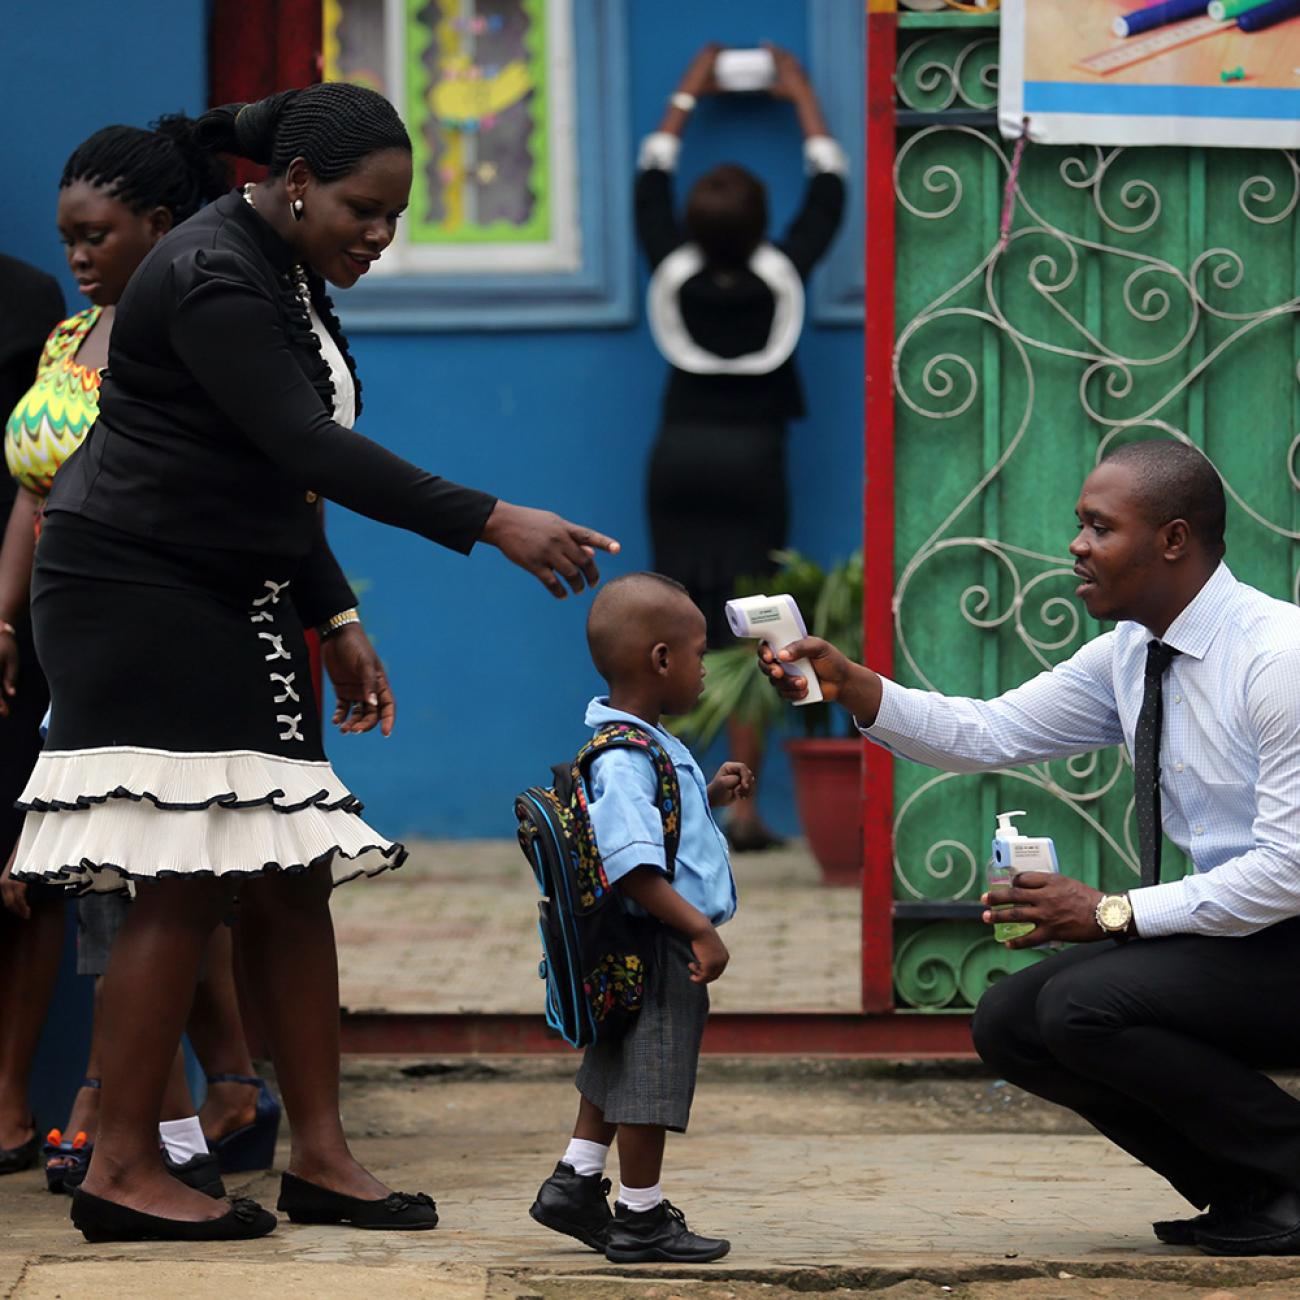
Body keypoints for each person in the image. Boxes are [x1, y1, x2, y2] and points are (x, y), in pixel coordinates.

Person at [11, 81, 619, 1244]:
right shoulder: (209, 271)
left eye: (394, 215)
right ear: (292, 184)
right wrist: (492, 518)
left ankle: (323, 1156)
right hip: (136, 589)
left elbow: (271, 475)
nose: (378, 236)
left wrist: (331, 616)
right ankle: (125, 1165)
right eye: (363, 209)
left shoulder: (277, 261)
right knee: (181, 874)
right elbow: (303, 445)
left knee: (291, 870)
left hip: (227, 581)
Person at [760, 439, 1300, 1258]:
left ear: (1174, 540)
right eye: (1078, 524)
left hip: (1287, 933)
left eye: (1098, 527)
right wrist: (857, 688)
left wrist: (1112, 911)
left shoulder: (1276, 658)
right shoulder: (1129, 653)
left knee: (1081, 1006)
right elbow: (991, 729)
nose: (1076, 546)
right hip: (1244, 939)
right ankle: (1251, 1191)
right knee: (1010, 1020)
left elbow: (1289, 871)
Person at [0, 117, 277, 1197]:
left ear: (159, 227)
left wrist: (334, 620)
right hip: (68, 636)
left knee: (152, 870)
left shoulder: (195, 332)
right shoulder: (65, 343)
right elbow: (32, 497)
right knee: (137, 872)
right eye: (64, 235)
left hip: (156, 625)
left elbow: (266, 476)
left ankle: (133, 1114)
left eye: (95, 233)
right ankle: (195, 1101)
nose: (75, 255)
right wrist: (7, 617)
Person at [637, 43, 845, 852]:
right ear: (763, 229)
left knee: (671, 620)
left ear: (692, 227)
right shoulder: (781, 274)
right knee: (758, 621)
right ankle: (746, 808)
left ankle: (664, 798)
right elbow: (829, 191)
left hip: (680, 456)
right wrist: (801, 95)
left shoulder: (672, 273)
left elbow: (649, 182)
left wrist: (685, 93)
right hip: (753, 459)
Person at [528, 571, 751, 1264]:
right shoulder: (627, 756)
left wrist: (706, 795)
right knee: (648, 1081)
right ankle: (641, 1218)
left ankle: (575, 1179)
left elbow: (655, 831)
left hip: (640, 938)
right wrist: (698, 928)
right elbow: (632, 865)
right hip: (655, 942)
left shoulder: (641, 742)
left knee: (618, 1060)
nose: (705, 670)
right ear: (661, 660)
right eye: (699, 652)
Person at [0, 253, 66, 1177]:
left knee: (28, 866)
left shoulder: (30, 302)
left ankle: (10, 1104)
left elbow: (35, 488)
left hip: (24, 614)